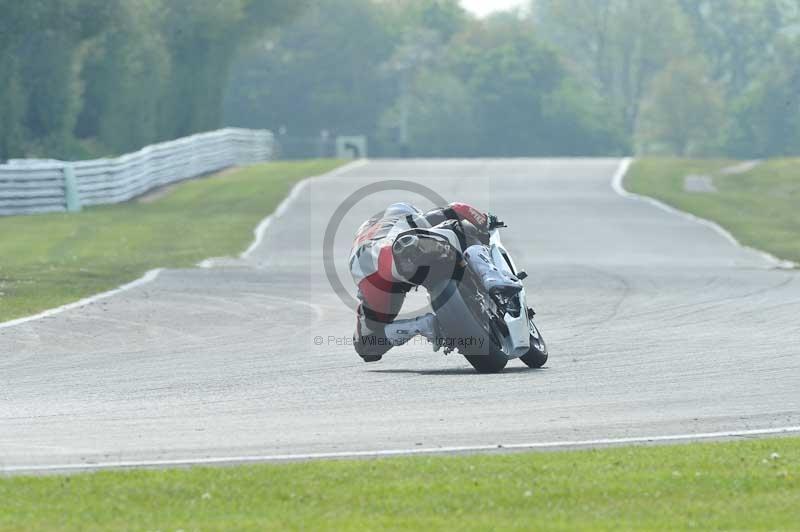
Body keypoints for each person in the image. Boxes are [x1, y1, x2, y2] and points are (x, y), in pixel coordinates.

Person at [349, 201, 493, 362]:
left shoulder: (362, 241)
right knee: (459, 228)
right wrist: (485, 221)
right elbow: (456, 209)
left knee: (366, 346)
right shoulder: (401, 218)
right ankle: (489, 275)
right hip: (403, 253)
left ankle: (421, 325)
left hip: (371, 283)